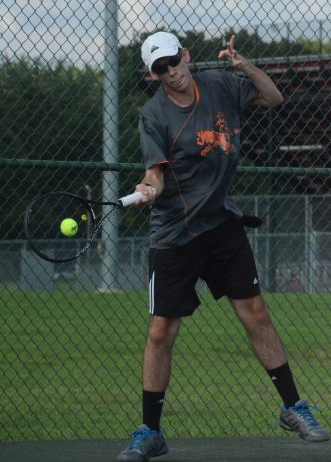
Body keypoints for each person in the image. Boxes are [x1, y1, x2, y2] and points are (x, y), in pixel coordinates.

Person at [117, 31, 330, 461]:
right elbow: (156, 173)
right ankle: (150, 431)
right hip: (176, 232)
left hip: (221, 224)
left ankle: (293, 407)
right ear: (151, 75)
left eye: (173, 61)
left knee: (255, 312)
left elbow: (274, 98)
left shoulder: (221, 83)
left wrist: (245, 65)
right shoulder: (153, 115)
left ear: (186, 55)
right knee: (162, 331)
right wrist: (149, 186)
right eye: (160, 68)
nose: (170, 71)